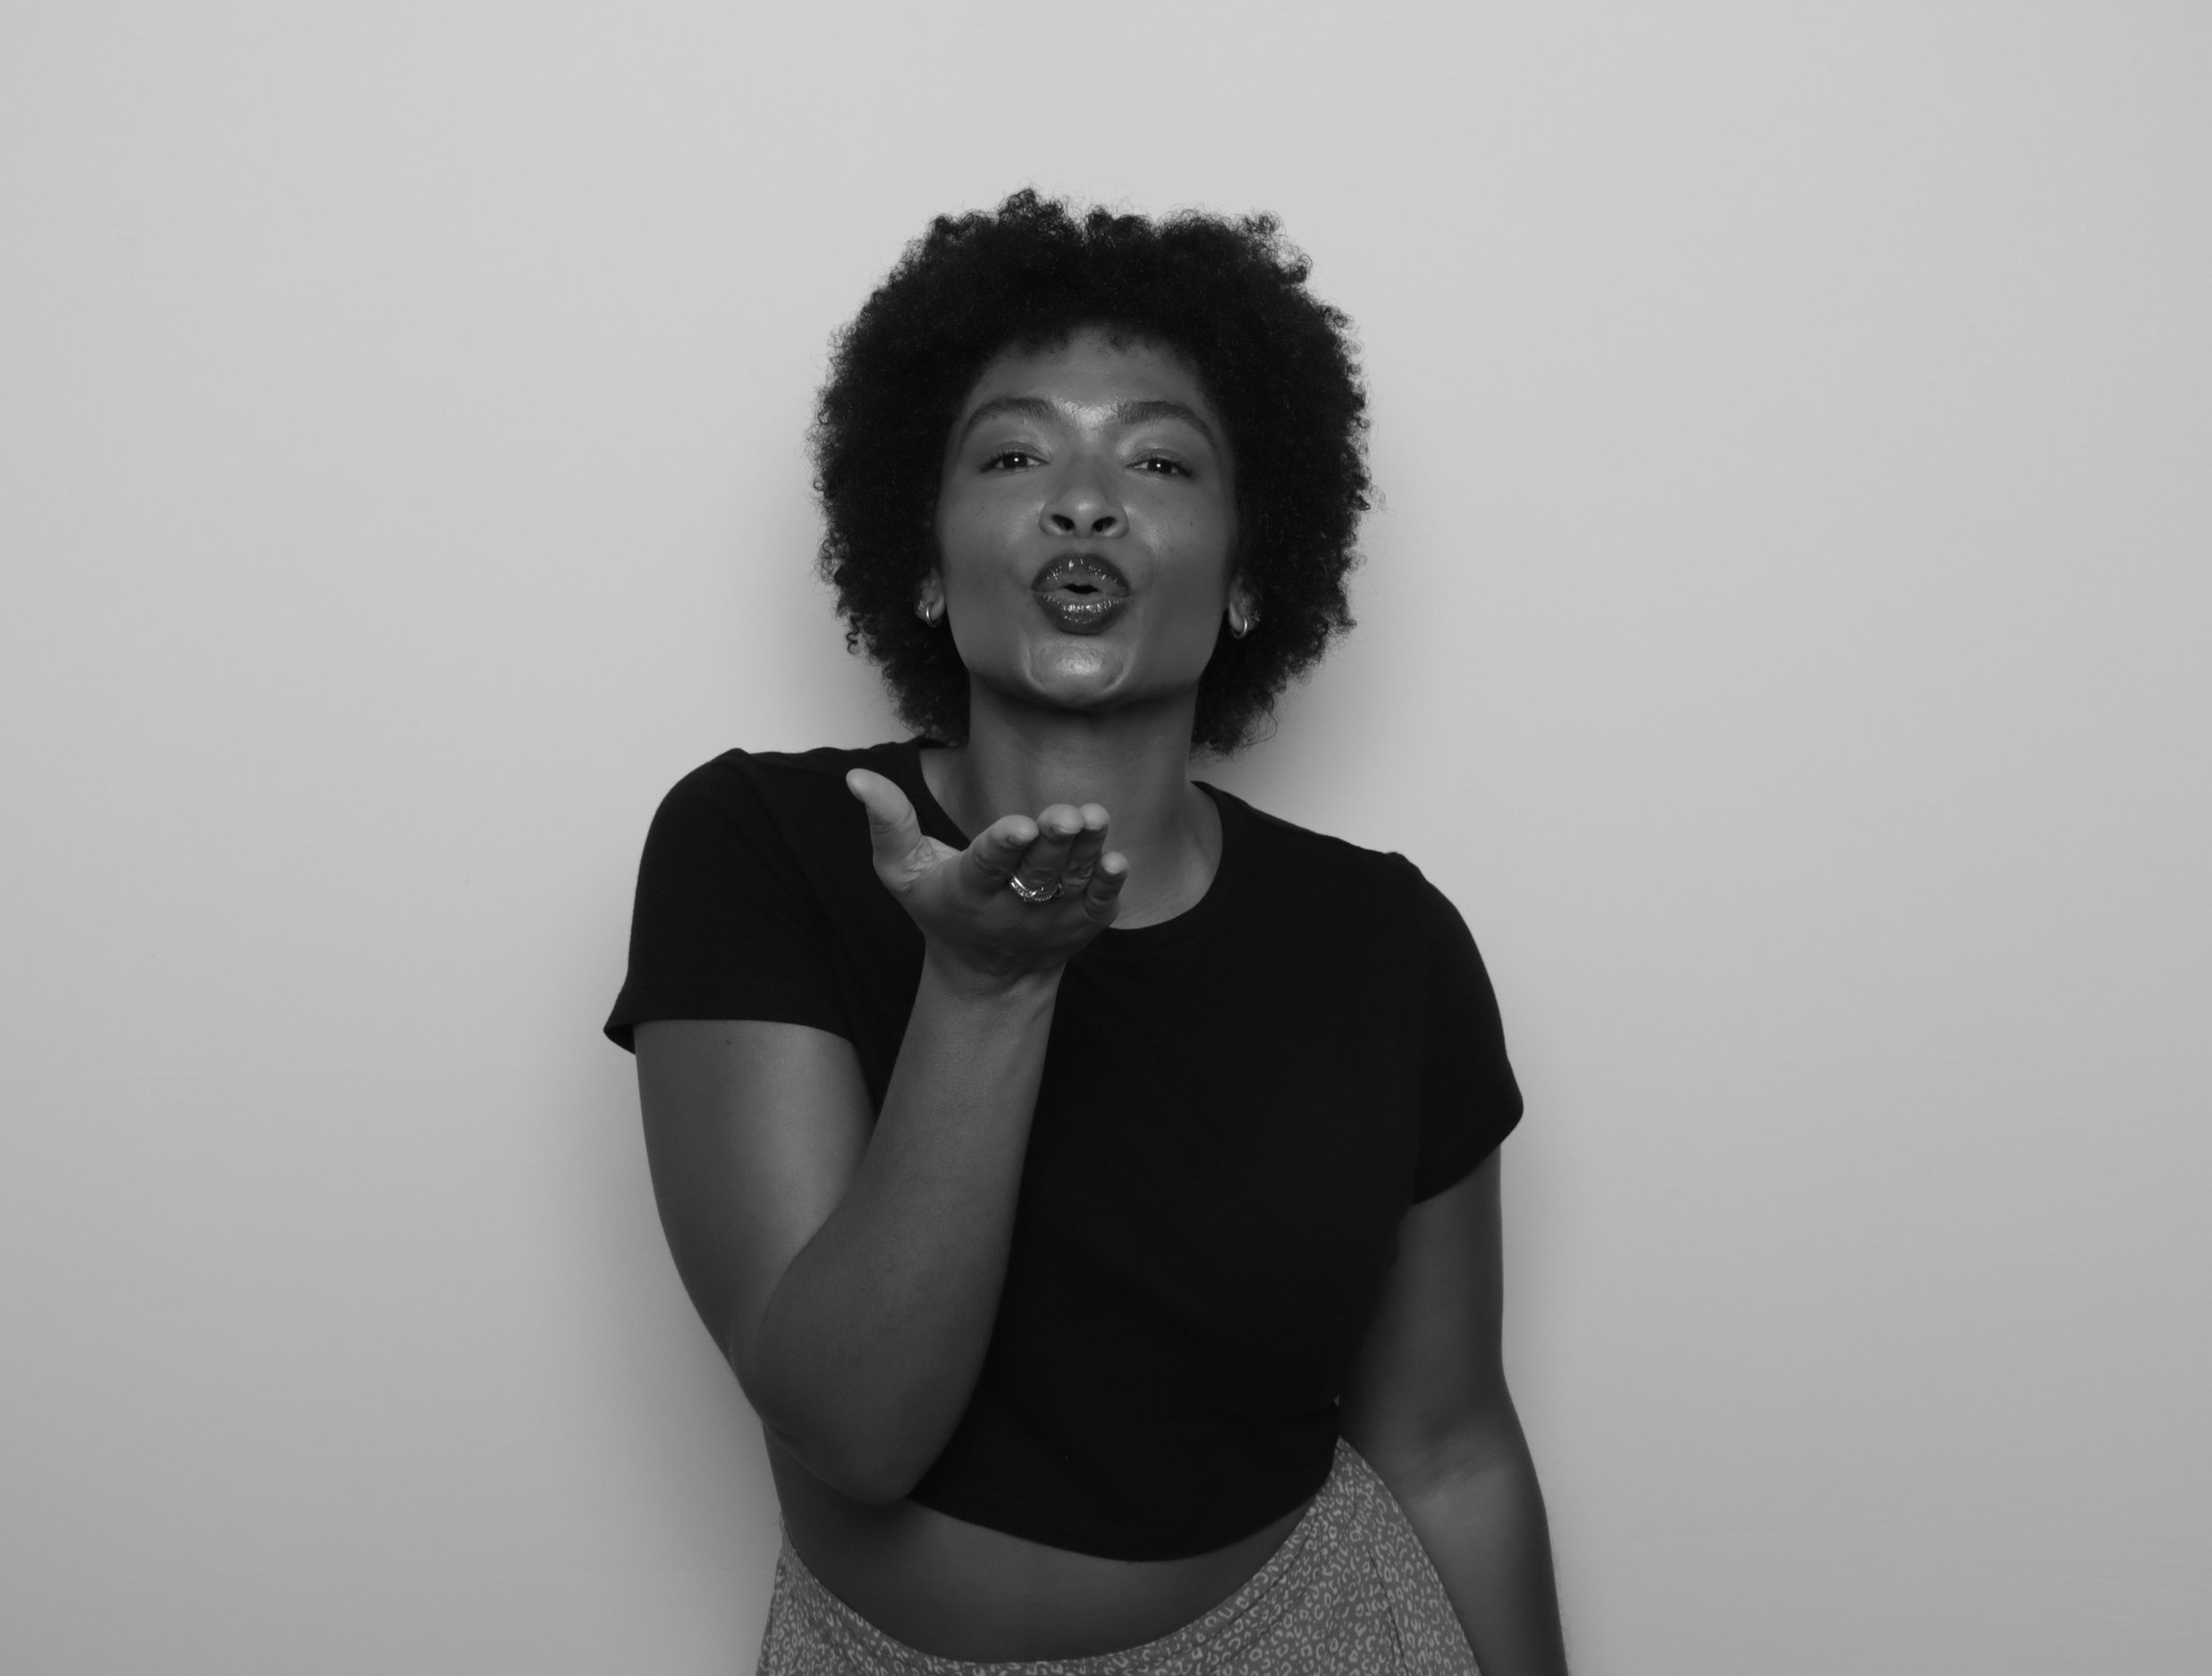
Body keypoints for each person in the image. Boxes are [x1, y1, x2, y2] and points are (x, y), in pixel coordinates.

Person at [605, 192, 1567, 1675]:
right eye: (1012, 452)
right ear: (919, 558)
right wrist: (984, 984)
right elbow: (854, 1428)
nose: (1085, 498)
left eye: (1162, 459)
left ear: (1254, 575)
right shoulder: (761, 851)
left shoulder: (1387, 940)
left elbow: (1448, 1446)